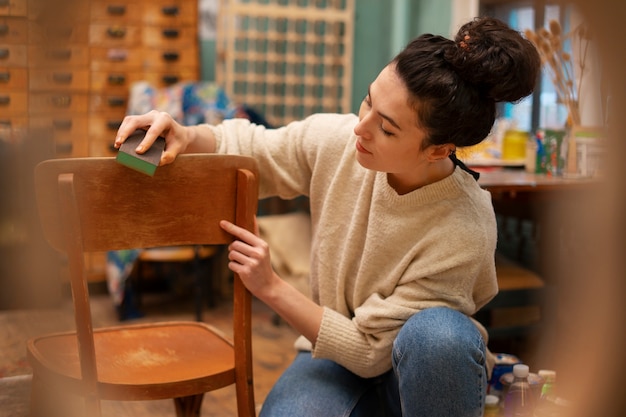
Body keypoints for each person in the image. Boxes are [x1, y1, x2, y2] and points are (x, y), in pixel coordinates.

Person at [115, 16, 540, 417]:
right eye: (368, 101)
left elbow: (372, 352)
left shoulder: (464, 225)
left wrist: (271, 287)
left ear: (438, 150)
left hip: (424, 370)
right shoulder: (341, 142)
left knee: (439, 336)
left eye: (387, 128)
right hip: (332, 357)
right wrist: (188, 135)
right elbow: (254, 147)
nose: (361, 127)